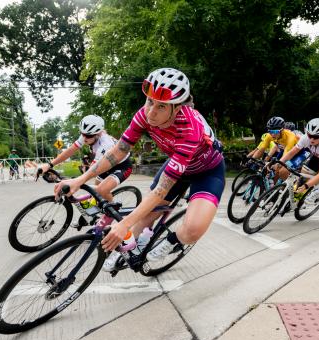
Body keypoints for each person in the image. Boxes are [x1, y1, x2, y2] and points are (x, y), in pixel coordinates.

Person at [54, 67, 225, 271]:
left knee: (193, 230)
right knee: (145, 216)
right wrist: (79, 180)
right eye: (150, 101)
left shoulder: (189, 128)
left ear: (177, 107)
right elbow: (117, 152)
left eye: (162, 107)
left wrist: (124, 224)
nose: (151, 112)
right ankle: (139, 243)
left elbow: (160, 190)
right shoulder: (144, 115)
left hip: (207, 171)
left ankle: (173, 241)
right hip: (177, 166)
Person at [41, 114, 133, 202]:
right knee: (97, 194)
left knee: (101, 190)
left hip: (122, 166)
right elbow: (70, 150)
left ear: (98, 134)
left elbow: (93, 168)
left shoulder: (105, 144)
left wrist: (75, 181)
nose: (84, 138)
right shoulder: (87, 135)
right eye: (82, 134)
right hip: (105, 165)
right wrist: (50, 164)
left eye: (88, 136)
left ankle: (112, 210)